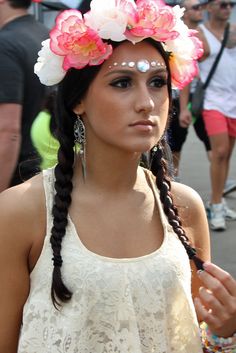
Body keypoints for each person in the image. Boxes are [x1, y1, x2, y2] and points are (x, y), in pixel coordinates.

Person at [0, 1, 236, 352]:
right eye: (123, 82)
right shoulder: (21, 211)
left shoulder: (185, 207)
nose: (146, 102)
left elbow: (198, 335)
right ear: (78, 99)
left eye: (157, 82)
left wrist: (225, 331)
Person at [180, 0, 236, 231]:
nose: (228, 8)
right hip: (212, 102)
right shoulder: (200, 35)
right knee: (219, 152)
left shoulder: (234, 31)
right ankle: (214, 204)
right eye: (222, 4)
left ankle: (219, 201)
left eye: (231, 4)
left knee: (226, 155)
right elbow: (188, 72)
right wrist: (184, 107)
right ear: (209, 7)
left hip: (234, 103)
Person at [0, 0, 49, 192]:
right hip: (48, 171)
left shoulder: (5, 45)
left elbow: (7, 131)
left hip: (16, 179)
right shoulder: (46, 35)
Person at [167, 0, 211, 179]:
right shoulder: (176, 35)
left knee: (211, 140)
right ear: (185, 12)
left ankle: (219, 181)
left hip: (199, 95)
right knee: (176, 142)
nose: (200, 10)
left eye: (201, 6)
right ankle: (172, 180)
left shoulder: (201, 32)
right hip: (178, 95)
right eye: (196, 7)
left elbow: (205, 53)